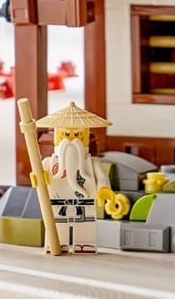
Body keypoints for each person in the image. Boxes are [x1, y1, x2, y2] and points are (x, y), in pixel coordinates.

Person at [34, 102, 126, 253]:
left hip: (85, 202)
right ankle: (58, 243)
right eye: (65, 134)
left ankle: (85, 244)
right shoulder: (49, 163)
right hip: (58, 201)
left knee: (85, 224)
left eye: (77, 135)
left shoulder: (92, 162)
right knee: (59, 223)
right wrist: (37, 178)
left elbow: (102, 178)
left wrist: (103, 189)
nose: (71, 139)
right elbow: (38, 176)